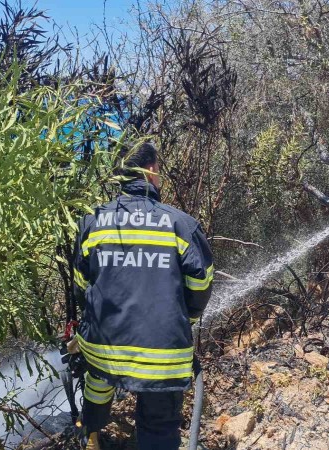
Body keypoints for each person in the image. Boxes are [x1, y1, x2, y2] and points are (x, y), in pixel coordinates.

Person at [71, 143, 214, 450]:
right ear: (150, 170)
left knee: (98, 381)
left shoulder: (93, 221)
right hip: (162, 356)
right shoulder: (180, 224)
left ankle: (91, 434)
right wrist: (185, 319)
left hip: (104, 348)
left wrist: (89, 325)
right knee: (158, 427)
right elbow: (201, 285)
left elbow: (81, 286)